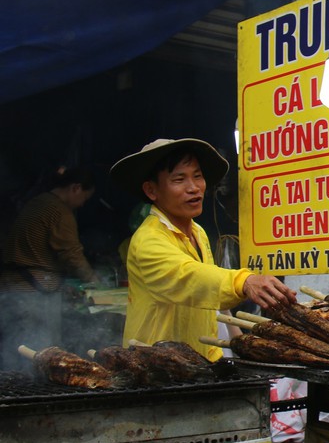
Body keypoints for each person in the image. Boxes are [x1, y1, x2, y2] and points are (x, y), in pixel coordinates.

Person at [109, 138, 297, 360]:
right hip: (158, 368)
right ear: (151, 190)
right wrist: (244, 281)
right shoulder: (147, 241)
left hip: (200, 360)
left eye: (197, 176)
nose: (194, 188)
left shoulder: (197, 232)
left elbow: (210, 295)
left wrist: (237, 342)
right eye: (179, 179)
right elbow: (191, 278)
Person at [0, 167, 98, 370]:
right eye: (85, 199)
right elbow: (71, 254)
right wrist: (94, 281)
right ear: (76, 188)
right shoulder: (59, 210)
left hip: (14, 287)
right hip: (34, 292)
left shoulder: (38, 202)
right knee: (42, 351)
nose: (82, 204)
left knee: (17, 345)